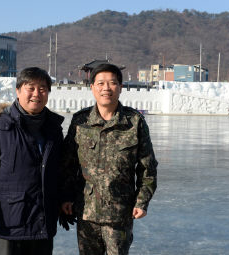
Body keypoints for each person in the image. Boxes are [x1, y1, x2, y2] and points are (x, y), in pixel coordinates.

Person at [60, 63, 158, 255]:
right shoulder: (80, 121)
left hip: (120, 213)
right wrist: (66, 197)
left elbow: (148, 168)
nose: (106, 88)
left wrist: (141, 201)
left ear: (120, 87)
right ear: (92, 87)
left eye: (112, 83)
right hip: (86, 213)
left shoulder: (134, 122)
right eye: (101, 83)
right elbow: (68, 165)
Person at [0, 67, 64, 255]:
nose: (37, 93)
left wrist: (64, 200)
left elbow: (59, 172)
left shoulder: (54, 130)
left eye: (43, 88)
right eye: (31, 88)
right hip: (9, 222)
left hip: (43, 222)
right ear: (18, 90)